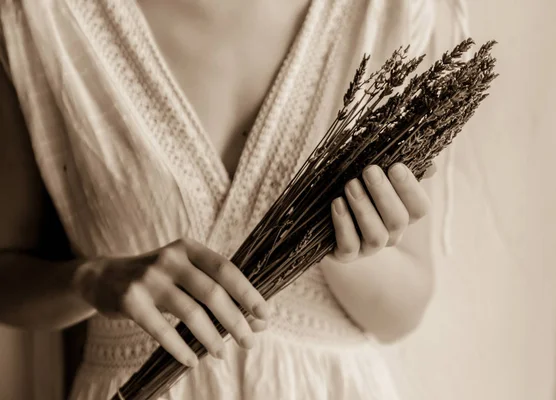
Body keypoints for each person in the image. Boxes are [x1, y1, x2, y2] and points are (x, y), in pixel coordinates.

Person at [0, 0, 446, 398]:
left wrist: (332, 236)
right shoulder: (40, 17)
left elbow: (402, 315)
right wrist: (91, 281)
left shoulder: (394, 11)